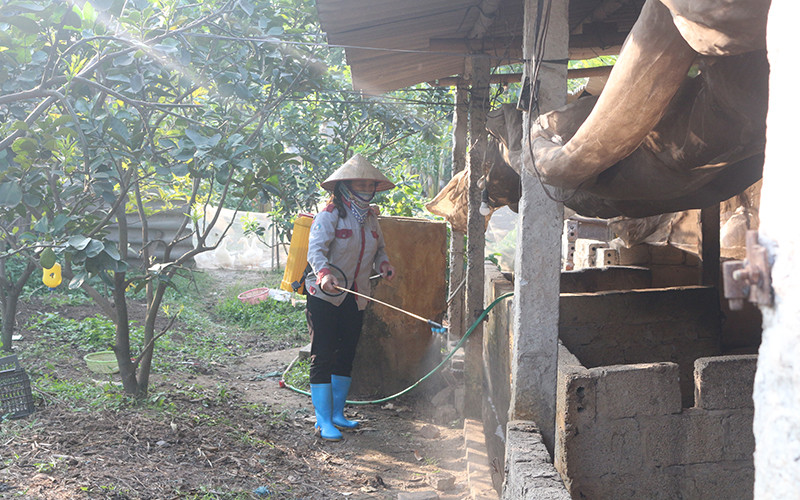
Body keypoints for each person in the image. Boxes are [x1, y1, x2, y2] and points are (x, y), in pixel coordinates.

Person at [305, 154, 396, 441]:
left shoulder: (371, 218)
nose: (368, 188)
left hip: (357, 296)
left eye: (371, 183)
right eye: (362, 183)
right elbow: (316, 251)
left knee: (346, 352)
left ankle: (337, 414)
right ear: (345, 186)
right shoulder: (329, 215)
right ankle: (322, 420)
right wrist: (323, 274)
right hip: (325, 294)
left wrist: (384, 265)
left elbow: (380, 249)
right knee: (324, 352)